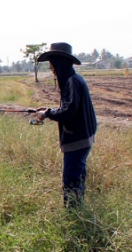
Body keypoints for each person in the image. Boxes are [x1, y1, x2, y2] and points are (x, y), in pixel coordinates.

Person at [34, 43, 98, 208]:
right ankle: (77, 207)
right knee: (77, 175)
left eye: (52, 64)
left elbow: (68, 112)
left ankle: (73, 213)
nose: (51, 69)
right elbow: (68, 108)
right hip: (83, 137)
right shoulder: (75, 79)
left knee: (71, 178)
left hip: (77, 140)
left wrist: (47, 114)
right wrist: (49, 110)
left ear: (59, 62)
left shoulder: (71, 82)